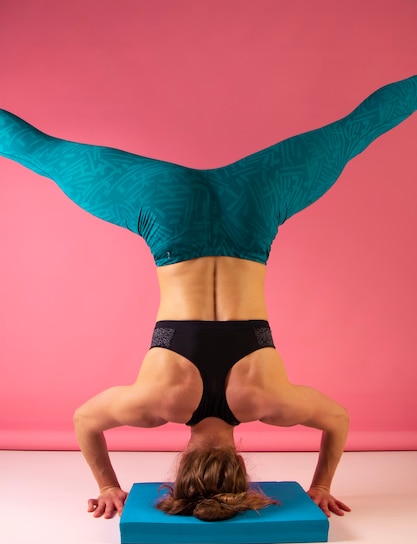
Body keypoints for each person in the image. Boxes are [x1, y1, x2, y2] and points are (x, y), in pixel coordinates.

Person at [1, 75, 416, 521]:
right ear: (181, 465)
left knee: (356, 129)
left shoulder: (268, 400)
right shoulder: (159, 401)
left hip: (252, 212)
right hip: (168, 213)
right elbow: (85, 419)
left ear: (239, 463)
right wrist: (107, 485)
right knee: (41, 151)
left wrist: (320, 486)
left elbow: (336, 419)